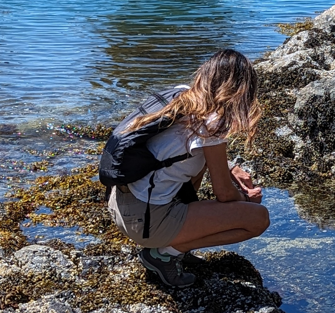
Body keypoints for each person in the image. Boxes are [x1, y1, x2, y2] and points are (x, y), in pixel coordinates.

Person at [107, 49, 270, 287]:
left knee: (199, 168)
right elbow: (224, 195)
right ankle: (164, 254)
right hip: (145, 223)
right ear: (240, 89)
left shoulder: (182, 96)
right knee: (258, 219)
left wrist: (231, 167)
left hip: (121, 205)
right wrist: (245, 199)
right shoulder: (213, 121)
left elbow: (180, 149)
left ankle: (174, 242)